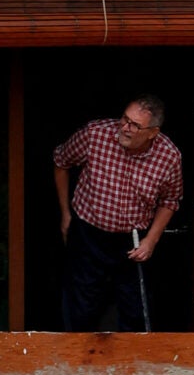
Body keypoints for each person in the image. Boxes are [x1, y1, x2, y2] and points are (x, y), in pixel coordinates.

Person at [52, 95, 183, 331]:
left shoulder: (169, 156)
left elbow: (171, 200)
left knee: (135, 312)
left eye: (135, 125)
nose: (125, 127)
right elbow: (61, 162)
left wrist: (150, 241)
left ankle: (129, 367)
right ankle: (79, 365)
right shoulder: (94, 134)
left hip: (132, 240)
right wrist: (65, 215)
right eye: (124, 119)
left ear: (153, 132)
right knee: (80, 309)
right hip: (88, 233)